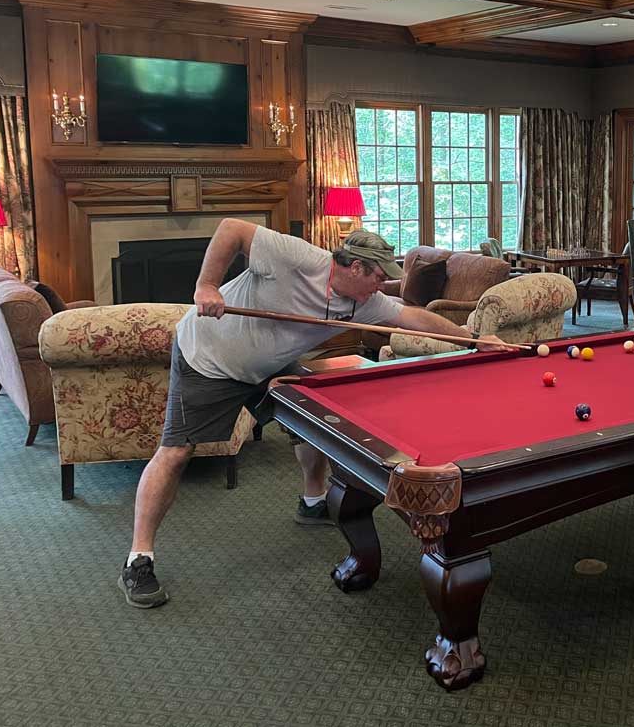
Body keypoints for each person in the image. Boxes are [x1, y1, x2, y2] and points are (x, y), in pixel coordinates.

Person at [119, 219, 507, 608]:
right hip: (208, 358)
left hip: (272, 363)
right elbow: (230, 229)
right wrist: (206, 286)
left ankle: (312, 499)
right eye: (377, 276)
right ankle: (139, 558)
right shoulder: (296, 258)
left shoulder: (365, 301)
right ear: (355, 267)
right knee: (175, 453)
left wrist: (473, 341)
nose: (382, 285)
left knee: (315, 419)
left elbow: (412, 316)